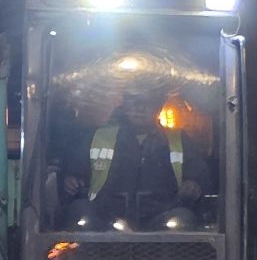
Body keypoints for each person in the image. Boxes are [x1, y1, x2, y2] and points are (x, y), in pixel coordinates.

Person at [69, 81, 211, 229]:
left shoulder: (178, 139)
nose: (140, 108)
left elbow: (200, 177)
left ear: (159, 106)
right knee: (80, 210)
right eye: (134, 101)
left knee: (183, 219)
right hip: (105, 220)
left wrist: (194, 185)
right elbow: (75, 174)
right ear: (125, 105)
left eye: (148, 102)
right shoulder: (99, 137)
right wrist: (72, 181)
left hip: (162, 221)